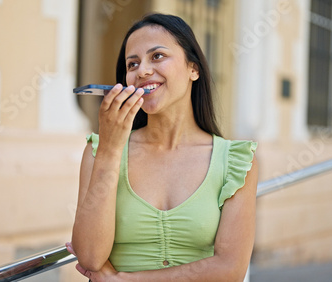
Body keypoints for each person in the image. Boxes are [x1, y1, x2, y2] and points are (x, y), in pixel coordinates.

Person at [68, 13, 258, 282]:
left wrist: (126, 281)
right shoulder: (100, 151)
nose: (142, 71)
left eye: (157, 56)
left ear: (194, 68)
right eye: (132, 64)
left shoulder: (235, 161)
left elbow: (230, 269)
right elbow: (89, 256)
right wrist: (111, 151)